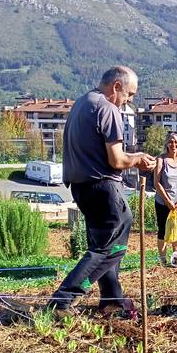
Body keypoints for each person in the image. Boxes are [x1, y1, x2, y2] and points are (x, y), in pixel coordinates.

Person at [48, 66, 156, 317]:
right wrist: (138, 158)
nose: (129, 100)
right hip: (103, 186)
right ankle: (63, 300)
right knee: (111, 248)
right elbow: (117, 160)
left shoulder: (81, 103)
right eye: (129, 94)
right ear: (116, 86)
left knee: (103, 244)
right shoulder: (107, 109)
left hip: (81, 187)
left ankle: (112, 300)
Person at [154, 132, 177, 264]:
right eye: (170, 141)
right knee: (163, 229)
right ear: (167, 144)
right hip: (163, 202)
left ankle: (176, 258)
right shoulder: (161, 159)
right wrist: (168, 201)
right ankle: (163, 260)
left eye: (176, 142)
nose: (173, 144)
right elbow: (157, 182)